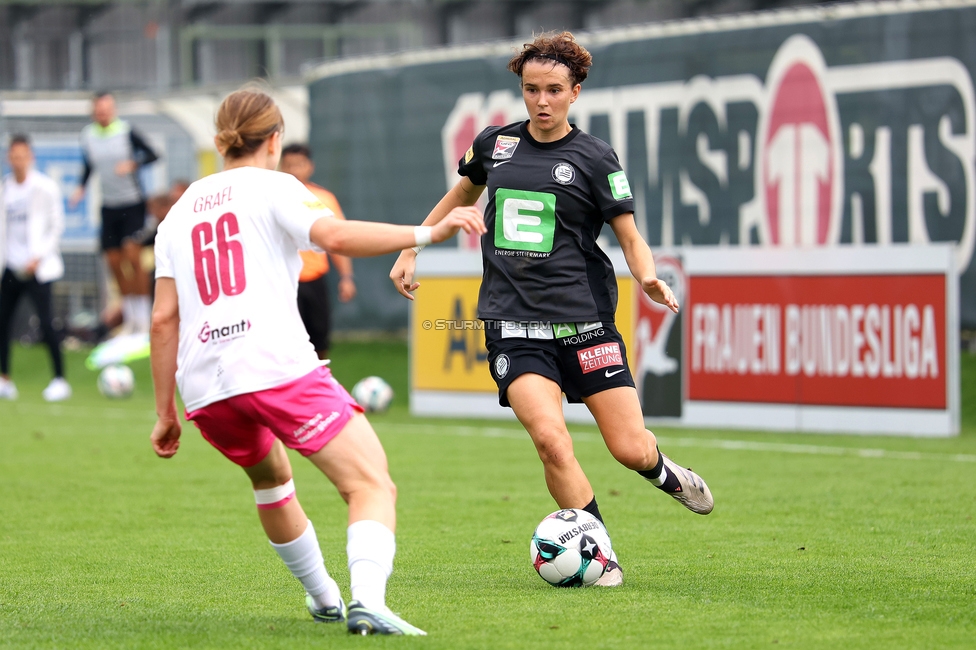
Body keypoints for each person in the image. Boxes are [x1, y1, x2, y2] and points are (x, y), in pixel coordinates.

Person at [149, 88, 484, 635]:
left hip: (205, 386)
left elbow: (164, 319)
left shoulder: (178, 211)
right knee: (371, 484)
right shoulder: (278, 185)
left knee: (273, 482)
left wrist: (165, 411)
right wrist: (428, 232)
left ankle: (324, 597)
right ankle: (369, 603)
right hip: (273, 365)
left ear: (220, 142)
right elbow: (334, 237)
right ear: (275, 139)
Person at [390, 31, 713, 587]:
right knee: (550, 440)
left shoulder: (594, 157)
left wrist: (648, 275)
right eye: (531, 90)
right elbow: (458, 198)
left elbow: (629, 236)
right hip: (513, 328)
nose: (541, 101)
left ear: (575, 93)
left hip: (586, 327)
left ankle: (663, 471)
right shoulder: (496, 146)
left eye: (554, 90)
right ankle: (598, 555)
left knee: (629, 449)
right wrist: (410, 245)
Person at [71, 91, 158, 335]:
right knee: (114, 261)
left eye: (107, 110)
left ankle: (144, 317)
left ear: (114, 110)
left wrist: (134, 163)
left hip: (132, 203)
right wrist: (80, 188)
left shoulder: (126, 131)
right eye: (99, 110)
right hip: (109, 206)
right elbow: (88, 165)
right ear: (94, 112)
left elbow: (153, 154)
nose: (103, 114)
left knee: (132, 256)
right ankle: (130, 317)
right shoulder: (88, 136)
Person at [0, 135, 71, 402]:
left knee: (46, 322)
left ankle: (59, 380)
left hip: (38, 268)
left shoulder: (44, 187)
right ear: (9, 158)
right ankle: (5, 378)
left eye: (23, 156)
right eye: (13, 156)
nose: (18, 161)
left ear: (30, 157)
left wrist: (38, 256)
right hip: (10, 267)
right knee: (3, 323)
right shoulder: (5, 188)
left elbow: (56, 226)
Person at [279, 144, 356, 359]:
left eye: (299, 164)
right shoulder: (274, 198)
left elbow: (338, 239)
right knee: (289, 344)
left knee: (319, 339)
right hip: (285, 281)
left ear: (310, 167)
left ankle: (321, 381)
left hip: (315, 280)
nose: (294, 170)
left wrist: (346, 277)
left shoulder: (324, 199)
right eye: (289, 165)